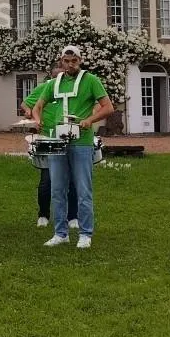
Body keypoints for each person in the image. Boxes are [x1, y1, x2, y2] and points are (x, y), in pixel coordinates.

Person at [31, 45, 114, 249]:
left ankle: (85, 234)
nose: (70, 65)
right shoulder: (54, 83)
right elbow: (37, 106)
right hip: (57, 141)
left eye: (74, 61)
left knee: (83, 189)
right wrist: (37, 119)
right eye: (66, 61)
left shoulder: (91, 80)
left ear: (80, 61)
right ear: (61, 61)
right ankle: (61, 233)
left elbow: (108, 107)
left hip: (82, 143)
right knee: (57, 189)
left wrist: (89, 120)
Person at [24, 63, 78, 230]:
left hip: (68, 137)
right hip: (48, 137)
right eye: (57, 77)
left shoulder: (73, 89)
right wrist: (33, 116)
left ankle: (73, 217)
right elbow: (27, 104)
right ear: (52, 78)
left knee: (72, 180)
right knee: (46, 180)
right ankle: (43, 215)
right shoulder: (44, 88)